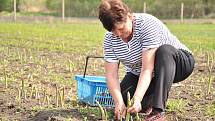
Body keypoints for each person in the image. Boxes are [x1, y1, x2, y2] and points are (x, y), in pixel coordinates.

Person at [98, 0, 195, 120]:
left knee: (164, 51)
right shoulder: (110, 40)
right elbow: (111, 74)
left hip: (178, 63)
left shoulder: (146, 24)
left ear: (129, 16)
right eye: (113, 31)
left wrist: (138, 98)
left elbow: (147, 69)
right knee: (125, 98)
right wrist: (118, 102)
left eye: (122, 28)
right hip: (145, 74)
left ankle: (158, 110)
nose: (119, 34)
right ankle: (148, 102)